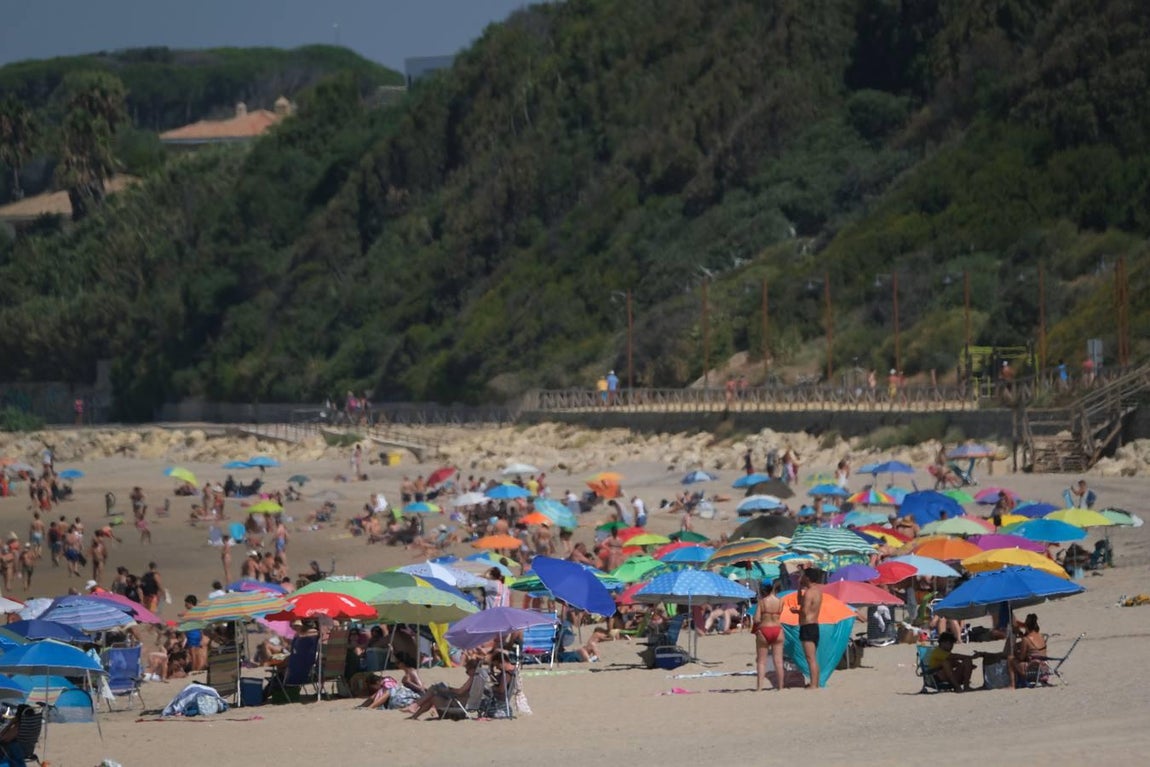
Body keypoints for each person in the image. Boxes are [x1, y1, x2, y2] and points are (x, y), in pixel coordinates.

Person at [753, 580, 785, 692]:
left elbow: (756, 619)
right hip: (777, 630)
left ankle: (759, 687)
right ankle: (780, 686)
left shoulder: (762, 602)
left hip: (764, 629)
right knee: (779, 661)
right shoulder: (781, 601)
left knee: (761, 661)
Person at [794, 568, 823, 689]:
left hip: (807, 625)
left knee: (810, 658)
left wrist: (796, 611)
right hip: (814, 625)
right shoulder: (817, 591)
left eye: (804, 576)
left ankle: (814, 684)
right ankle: (815, 683)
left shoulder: (809, 593)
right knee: (812, 657)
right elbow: (801, 601)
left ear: (808, 578)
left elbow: (804, 611)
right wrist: (799, 587)